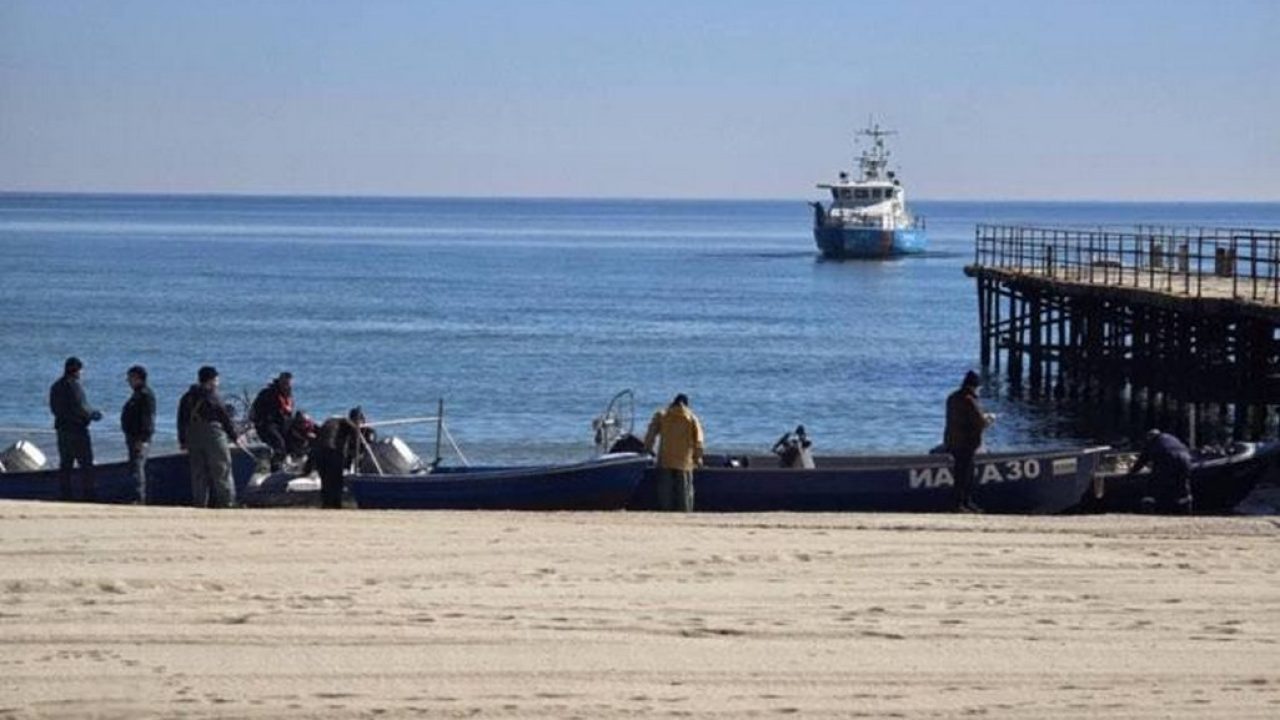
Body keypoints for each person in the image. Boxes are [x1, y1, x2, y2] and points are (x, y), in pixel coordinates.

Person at [177, 366, 241, 508]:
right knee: (222, 469)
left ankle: (200, 503)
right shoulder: (213, 396)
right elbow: (225, 418)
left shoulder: (187, 397)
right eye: (216, 380)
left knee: (198, 472)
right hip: (213, 435)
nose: (218, 383)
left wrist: (182, 440)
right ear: (210, 380)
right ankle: (227, 502)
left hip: (192, 435)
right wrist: (235, 437)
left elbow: (181, 419)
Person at [49, 356, 103, 501]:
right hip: (77, 430)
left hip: (62, 430)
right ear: (76, 370)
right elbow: (81, 407)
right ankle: (88, 495)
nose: (81, 373)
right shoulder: (74, 386)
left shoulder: (56, 386)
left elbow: (54, 408)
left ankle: (66, 494)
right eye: (80, 370)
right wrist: (93, 415)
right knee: (86, 464)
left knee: (66, 464)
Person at [642, 393, 704, 512]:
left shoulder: (662, 415)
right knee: (685, 490)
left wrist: (647, 449)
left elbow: (650, 434)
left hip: (665, 459)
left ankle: (666, 510)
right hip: (684, 461)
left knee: (665, 489)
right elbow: (699, 441)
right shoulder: (692, 418)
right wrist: (698, 458)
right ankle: (685, 511)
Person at [944, 370, 994, 512]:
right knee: (966, 475)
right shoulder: (969, 400)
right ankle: (962, 503)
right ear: (975, 386)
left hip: (952, 440)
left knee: (961, 473)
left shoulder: (952, 397)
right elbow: (980, 422)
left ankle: (963, 502)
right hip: (966, 443)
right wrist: (989, 419)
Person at [306, 407, 367, 510]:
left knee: (325, 480)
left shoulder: (330, 421)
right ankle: (336, 503)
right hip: (332, 450)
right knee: (336, 479)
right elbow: (356, 434)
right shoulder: (345, 422)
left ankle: (326, 503)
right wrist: (361, 446)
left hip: (318, 451)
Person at [1127, 429, 1194, 514]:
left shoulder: (1153, 442)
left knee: (1154, 482)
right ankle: (1186, 510)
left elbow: (1142, 459)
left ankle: (1151, 508)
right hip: (1186, 460)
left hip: (1168, 459)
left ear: (1150, 437)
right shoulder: (1172, 438)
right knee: (1182, 484)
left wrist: (1131, 473)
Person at [120, 365, 156, 505]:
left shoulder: (145, 395)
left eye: (130, 378)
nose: (128, 381)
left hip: (139, 438)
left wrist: (143, 438)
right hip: (133, 437)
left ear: (138, 378)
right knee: (134, 466)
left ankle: (139, 498)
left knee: (137, 466)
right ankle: (136, 497)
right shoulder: (137, 394)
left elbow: (148, 418)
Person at [252, 372, 295, 471]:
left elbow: (289, 411)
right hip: (268, 424)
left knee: (291, 442)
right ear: (280, 381)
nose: (287, 386)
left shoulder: (288, 394)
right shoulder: (268, 393)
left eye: (288, 384)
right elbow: (256, 409)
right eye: (285, 383)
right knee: (279, 445)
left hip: (283, 424)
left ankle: (286, 464)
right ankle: (276, 470)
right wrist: (260, 421)